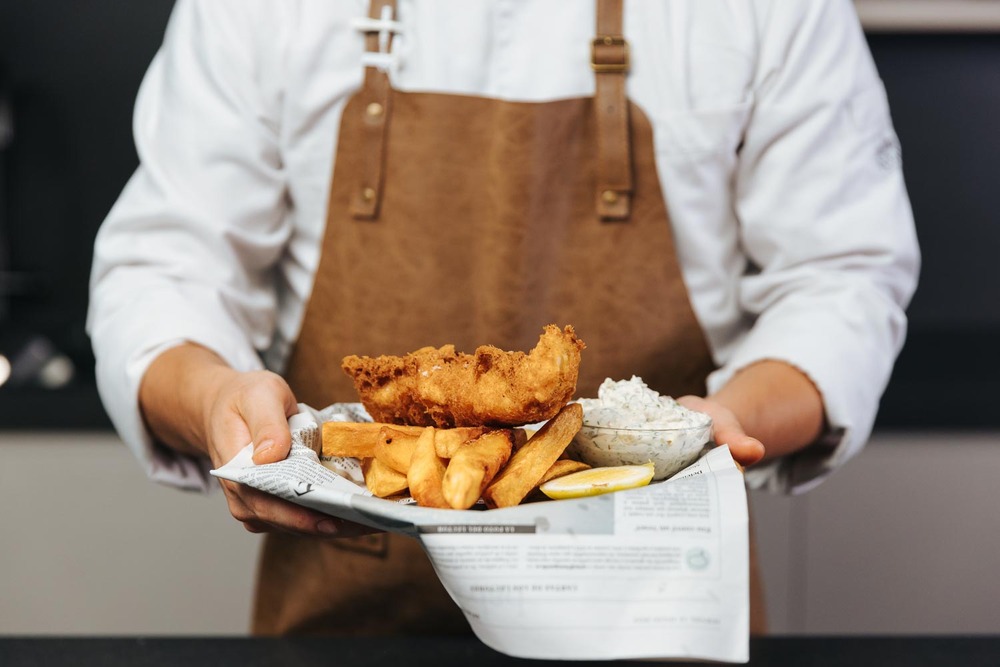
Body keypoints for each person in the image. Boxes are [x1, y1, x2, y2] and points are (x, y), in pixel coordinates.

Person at [87, 0, 919, 636]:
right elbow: (164, 267)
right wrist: (215, 400)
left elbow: (842, 275)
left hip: (659, 613)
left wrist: (729, 422)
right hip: (347, 622)